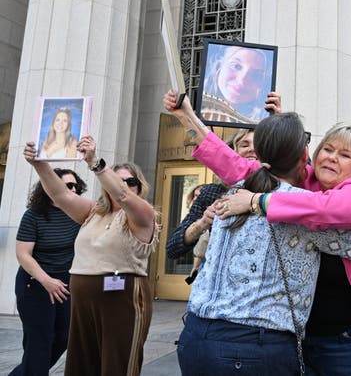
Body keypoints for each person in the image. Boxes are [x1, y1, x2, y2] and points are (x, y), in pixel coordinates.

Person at [164, 91, 351, 376]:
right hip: (297, 335)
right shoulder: (301, 179)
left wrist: (257, 202)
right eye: (328, 149)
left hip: (349, 336)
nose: (332, 158)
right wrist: (188, 116)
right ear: (310, 154)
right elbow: (233, 163)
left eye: (345, 155)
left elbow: (339, 210)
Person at [23, 135, 158, 376]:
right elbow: (60, 196)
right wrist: (40, 164)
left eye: (130, 181)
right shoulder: (93, 212)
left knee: (117, 365)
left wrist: (95, 162)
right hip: (84, 300)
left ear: (140, 185)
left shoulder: (143, 214)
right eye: (118, 180)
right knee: (81, 365)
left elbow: (124, 197)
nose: (124, 184)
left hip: (123, 298)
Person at [166, 89, 280, 261]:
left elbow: (302, 167)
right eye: (244, 144)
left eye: (259, 144)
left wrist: (280, 125)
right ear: (232, 151)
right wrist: (202, 223)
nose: (252, 149)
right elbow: (172, 249)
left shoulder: (281, 189)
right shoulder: (212, 193)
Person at [10, 169, 86, 376]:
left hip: (64, 284)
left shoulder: (79, 215)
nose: (73, 190)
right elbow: (23, 254)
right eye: (67, 186)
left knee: (63, 338)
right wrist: (46, 280)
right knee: (39, 344)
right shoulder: (33, 215)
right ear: (50, 187)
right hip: (35, 283)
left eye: (76, 186)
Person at [200, 45, 271, 123]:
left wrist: (276, 121)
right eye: (236, 66)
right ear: (219, 67)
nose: (242, 80)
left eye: (256, 74)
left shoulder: (264, 121)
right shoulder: (197, 111)